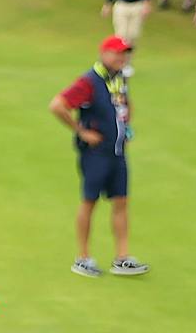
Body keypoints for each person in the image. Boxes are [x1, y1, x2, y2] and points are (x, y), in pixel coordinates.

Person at [51, 35, 147, 277]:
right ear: (104, 54)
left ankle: (122, 257)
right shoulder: (90, 81)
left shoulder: (119, 78)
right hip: (95, 154)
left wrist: (126, 125)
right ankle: (82, 258)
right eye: (117, 53)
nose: (122, 57)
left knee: (121, 201)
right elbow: (58, 105)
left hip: (117, 152)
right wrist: (81, 131)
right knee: (89, 201)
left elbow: (125, 103)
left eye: (125, 53)